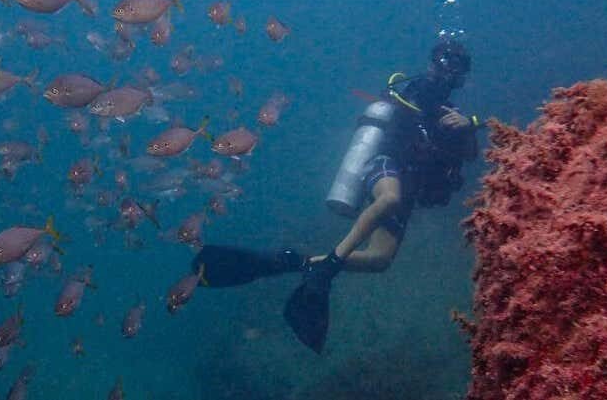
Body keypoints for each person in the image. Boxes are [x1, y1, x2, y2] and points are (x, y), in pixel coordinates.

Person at [192, 40, 482, 353]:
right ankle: (330, 265)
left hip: (409, 187)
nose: (446, 76)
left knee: (379, 259)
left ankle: (292, 262)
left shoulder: (453, 115)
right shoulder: (411, 92)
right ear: (432, 65)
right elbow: (401, 117)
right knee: (389, 198)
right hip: (384, 165)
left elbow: (468, 155)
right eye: (443, 66)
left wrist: (468, 127)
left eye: (456, 72)